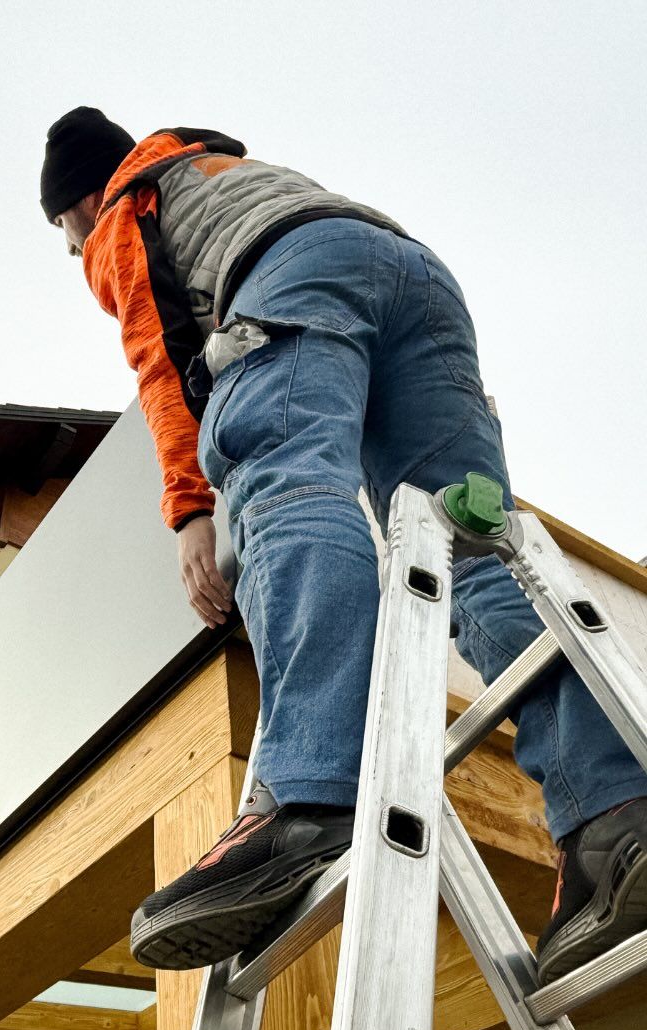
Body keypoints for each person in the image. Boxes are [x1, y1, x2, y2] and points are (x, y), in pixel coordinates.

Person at [40, 107, 647, 981]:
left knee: (288, 482)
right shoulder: (224, 172)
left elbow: (159, 360)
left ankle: (307, 796)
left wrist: (190, 512)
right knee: (477, 551)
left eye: (67, 237)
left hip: (292, 277)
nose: (75, 253)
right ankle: (613, 821)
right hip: (417, 278)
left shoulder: (125, 205)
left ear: (81, 202)